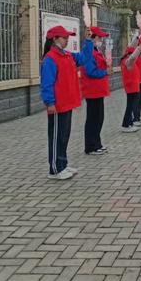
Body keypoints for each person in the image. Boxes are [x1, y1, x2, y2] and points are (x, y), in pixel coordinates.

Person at [41, 26, 94, 180]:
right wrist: (50, 103)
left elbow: (84, 58)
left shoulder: (67, 55)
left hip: (67, 102)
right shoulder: (50, 58)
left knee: (64, 136)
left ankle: (62, 164)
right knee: (57, 136)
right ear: (55, 39)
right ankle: (55, 169)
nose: (67, 40)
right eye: (64, 38)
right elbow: (47, 83)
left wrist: (88, 40)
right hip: (57, 105)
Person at [80, 27, 111, 155]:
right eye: (99, 38)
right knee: (93, 118)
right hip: (92, 90)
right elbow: (90, 71)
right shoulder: (88, 52)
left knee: (99, 118)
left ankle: (97, 143)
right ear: (93, 38)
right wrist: (105, 72)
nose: (101, 40)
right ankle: (90, 146)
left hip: (99, 90)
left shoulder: (96, 50)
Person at [120, 42, 141, 131]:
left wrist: (137, 40)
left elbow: (131, 46)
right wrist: (139, 48)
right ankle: (126, 125)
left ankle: (129, 123)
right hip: (131, 87)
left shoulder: (128, 60)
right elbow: (133, 57)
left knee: (130, 106)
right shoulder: (127, 61)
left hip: (133, 86)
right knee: (130, 106)